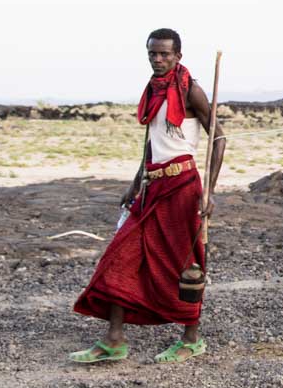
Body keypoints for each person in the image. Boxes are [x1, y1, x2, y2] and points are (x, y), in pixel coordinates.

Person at [69, 28, 225, 364]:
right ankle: (114, 340)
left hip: (183, 187)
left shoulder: (189, 89)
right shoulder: (153, 91)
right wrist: (134, 181)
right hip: (151, 187)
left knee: (185, 263)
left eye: (165, 54)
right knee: (120, 255)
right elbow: (152, 143)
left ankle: (191, 338)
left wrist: (209, 192)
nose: (158, 59)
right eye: (153, 53)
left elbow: (219, 138)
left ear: (178, 56)